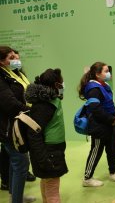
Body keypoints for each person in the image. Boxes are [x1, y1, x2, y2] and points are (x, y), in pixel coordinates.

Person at [78, 62, 115, 187]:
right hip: (99, 126)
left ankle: (113, 172)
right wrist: (111, 119)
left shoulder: (104, 85)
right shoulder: (93, 88)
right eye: (105, 71)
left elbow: (110, 104)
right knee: (96, 150)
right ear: (97, 74)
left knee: (111, 149)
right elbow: (95, 109)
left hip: (109, 124)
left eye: (108, 70)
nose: (108, 73)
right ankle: (87, 178)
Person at [25, 68, 68, 203]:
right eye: (61, 82)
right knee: (52, 189)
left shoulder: (50, 100)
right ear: (56, 85)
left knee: (47, 182)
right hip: (49, 152)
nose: (63, 84)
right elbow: (33, 133)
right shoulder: (45, 105)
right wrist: (43, 159)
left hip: (51, 150)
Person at [0, 46, 35, 203]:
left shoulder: (14, 73)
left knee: (16, 161)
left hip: (18, 124)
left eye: (15, 56)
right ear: (1, 61)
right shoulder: (1, 77)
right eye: (11, 57)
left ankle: (15, 197)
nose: (15, 59)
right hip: (8, 127)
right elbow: (9, 103)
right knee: (21, 161)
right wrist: (31, 110)